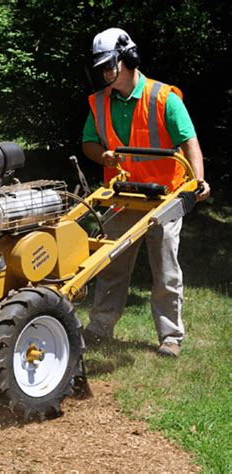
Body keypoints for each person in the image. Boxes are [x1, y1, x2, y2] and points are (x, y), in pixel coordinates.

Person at [81, 27, 210, 357]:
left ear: (129, 59)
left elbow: (189, 142)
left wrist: (197, 182)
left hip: (165, 196)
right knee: (111, 263)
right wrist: (103, 155)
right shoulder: (99, 103)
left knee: (165, 265)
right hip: (124, 195)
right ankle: (99, 327)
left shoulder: (163, 98)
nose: (105, 73)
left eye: (110, 65)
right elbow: (89, 143)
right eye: (102, 67)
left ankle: (170, 335)